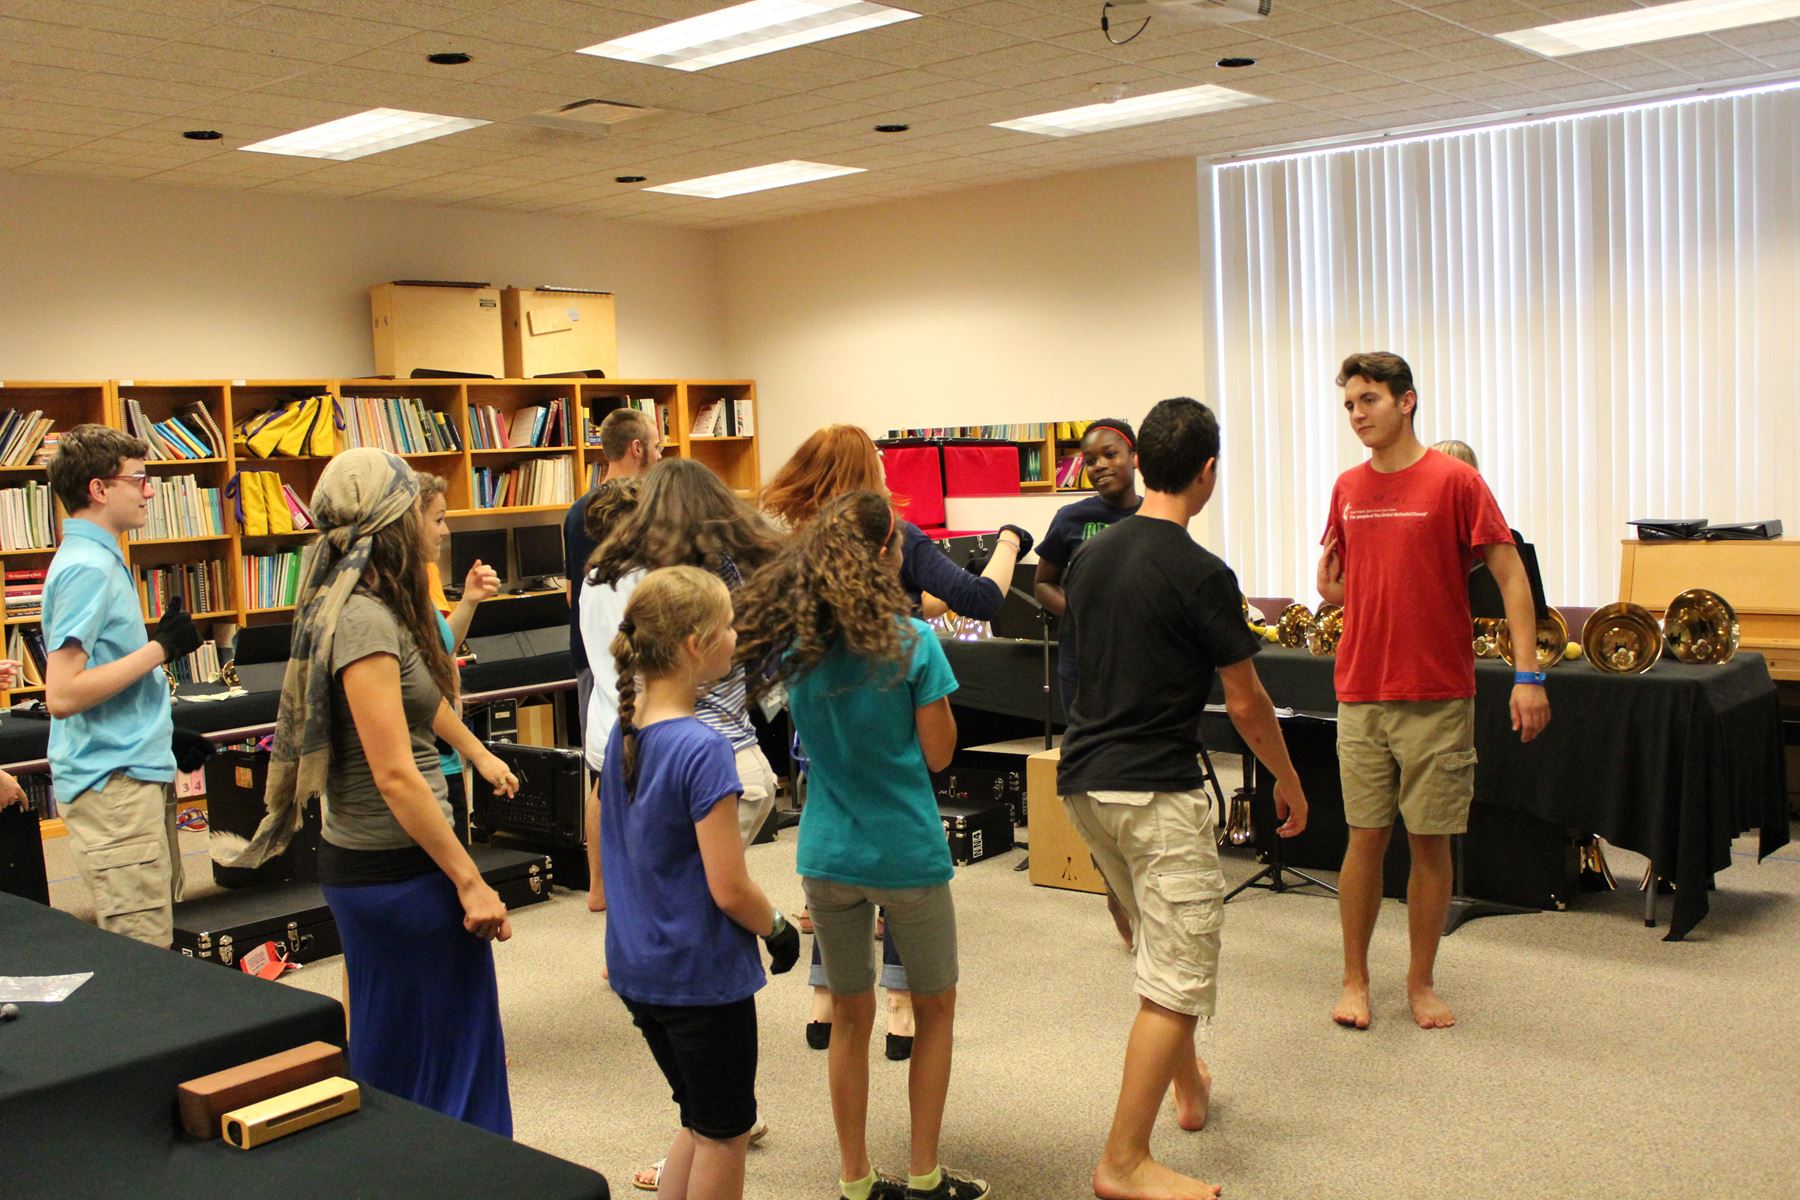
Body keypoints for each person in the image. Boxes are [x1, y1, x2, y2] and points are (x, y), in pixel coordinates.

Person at [1057, 397, 1308, 1200]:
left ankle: (1190, 1084)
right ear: (1207, 472)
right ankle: (1123, 1162)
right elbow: (1246, 703)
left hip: (1084, 783)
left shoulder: (1091, 557)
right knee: (1178, 970)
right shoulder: (1202, 572)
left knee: (1159, 940)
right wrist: (1288, 780)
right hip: (1151, 793)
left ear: (1142, 462)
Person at [258, 449, 520, 1133]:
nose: (438, 529)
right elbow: (395, 773)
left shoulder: (367, 607)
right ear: (392, 524)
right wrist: (470, 881)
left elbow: (416, 701)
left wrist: (477, 752)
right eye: (425, 515)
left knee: (415, 1057)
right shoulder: (365, 620)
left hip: (391, 867)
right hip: (399, 874)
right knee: (440, 1072)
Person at [737, 490, 986, 1200]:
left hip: (827, 853)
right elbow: (940, 755)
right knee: (934, 1009)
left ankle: (855, 1180)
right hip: (906, 852)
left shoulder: (797, 647)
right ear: (884, 553)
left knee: (849, 1014)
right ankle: (925, 1176)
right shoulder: (914, 641)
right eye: (902, 544)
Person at [762, 424, 1030, 1059]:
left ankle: (825, 998)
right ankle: (903, 1006)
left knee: (839, 850)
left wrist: (911, 609)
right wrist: (1011, 541)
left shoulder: (797, 551)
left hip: (824, 733)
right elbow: (981, 599)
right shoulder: (897, 535)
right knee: (900, 859)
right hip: (891, 723)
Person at [1318, 353, 1550, 1032]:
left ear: (1407, 401)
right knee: (1364, 838)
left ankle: (1420, 982)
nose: (1357, 414)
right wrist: (1332, 588)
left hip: (1438, 692)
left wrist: (1528, 676)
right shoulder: (1346, 487)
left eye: (1368, 400)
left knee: (1429, 843)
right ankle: (1355, 979)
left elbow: (1512, 578)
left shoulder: (1456, 481)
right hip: (1361, 690)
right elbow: (1342, 584)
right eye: (1349, 404)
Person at [600, 565, 802, 1200]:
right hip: (698, 978)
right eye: (729, 627)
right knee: (724, 1134)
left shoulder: (625, 731)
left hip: (639, 968)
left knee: (699, 1118)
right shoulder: (703, 748)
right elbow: (730, 886)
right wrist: (778, 927)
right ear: (695, 645)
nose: (738, 637)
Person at [43, 425, 200, 946]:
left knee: (155, 938)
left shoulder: (98, 558)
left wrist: (160, 729)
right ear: (99, 488)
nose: (149, 491)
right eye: (139, 479)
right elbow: (63, 694)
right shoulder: (87, 568)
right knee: (144, 952)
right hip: (113, 785)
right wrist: (162, 649)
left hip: (126, 770)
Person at [1032, 418, 1144, 951]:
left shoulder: (1155, 515)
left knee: (1138, 789)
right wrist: (1081, 612)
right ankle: (1115, 891)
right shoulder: (1071, 519)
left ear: (1134, 457)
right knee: (1096, 789)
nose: (1098, 465)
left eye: (1109, 454)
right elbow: (1042, 583)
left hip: (1141, 673)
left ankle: (1144, 891)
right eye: (1089, 458)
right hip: (1084, 673)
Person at [565, 407, 662, 737]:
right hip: (618, 668)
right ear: (637, 448)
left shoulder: (578, 511)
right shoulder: (633, 511)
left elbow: (571, 594)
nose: (659, 456)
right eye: (657, 447)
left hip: (596, 658)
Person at [575, 475, 643, 914]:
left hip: (604, 706)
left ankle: (598, 887)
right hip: (635, 708)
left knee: (602, 793)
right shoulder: (638, 578)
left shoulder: (593, 578)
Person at [418, 473, 504, 819]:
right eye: (438, 519)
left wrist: (469, 601)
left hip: (445, 759)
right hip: (428, 763)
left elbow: (443, 645)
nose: (446, 530)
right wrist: (479, 753)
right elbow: (421, 693)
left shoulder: (422, 575)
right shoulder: (396, 596)